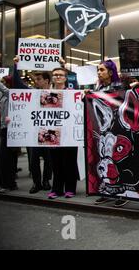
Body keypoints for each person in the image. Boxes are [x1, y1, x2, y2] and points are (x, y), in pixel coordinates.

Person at [13, 57, 53, 194]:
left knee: (49, 159)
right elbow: (17, 83)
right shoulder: (31, 92)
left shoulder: (56, 94)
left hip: (49, 130)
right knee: (33, 159)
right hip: (33, 131)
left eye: (39, 79)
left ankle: (46, 180)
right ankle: (36, 183)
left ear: (46, 80)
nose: (36, 82)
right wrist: (16, 65)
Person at [92, 59, 128, 208]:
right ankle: (106, 191)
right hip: (103, 130)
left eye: (102, 70)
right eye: (98, 70)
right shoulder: (98, 86)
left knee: (117, 161)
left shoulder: (118, 86)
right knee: (103, 160)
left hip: (116, 129)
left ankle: (122, 193)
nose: (99, 73)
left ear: (111, 72)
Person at [47, 67, 79, 200]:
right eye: (55, 75)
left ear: (66, 78)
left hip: (69, 132)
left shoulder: (72, 92)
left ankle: (70, 189)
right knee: (56, 162)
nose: (57, 77)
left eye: (60, 75)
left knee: (69, 162)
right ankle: (57, 189)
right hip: (53, 131)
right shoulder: (47, 93)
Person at [0, 76, 18, 193]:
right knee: (3, 158)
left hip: (8, 129)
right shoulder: (2, 96)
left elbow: (2, 89)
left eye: (4, 82)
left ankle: (8, 184)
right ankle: (7, 183)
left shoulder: (11, 94)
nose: (2, 84)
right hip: (1, 128)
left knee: (4, 159)